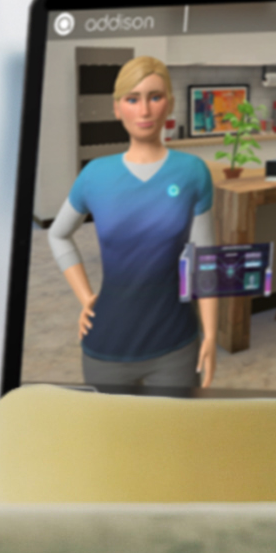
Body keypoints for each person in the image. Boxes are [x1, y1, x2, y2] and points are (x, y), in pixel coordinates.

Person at [45, 51, 223, 392]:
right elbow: (58, 235)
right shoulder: (95, 175)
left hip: (177, 346)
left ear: (169, 104)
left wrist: (211, 334)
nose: (144, 111)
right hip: (106, 347)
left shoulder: (192, 172)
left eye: (155, 97)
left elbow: (206, 260)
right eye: (133, 99)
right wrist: (85, 297)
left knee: (173, 440)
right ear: (117, 107)